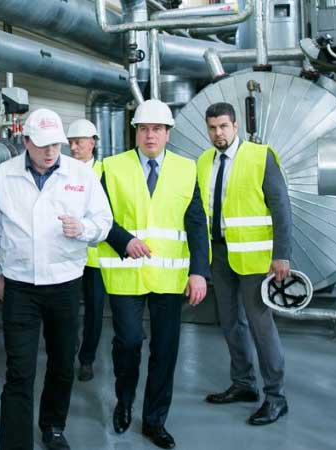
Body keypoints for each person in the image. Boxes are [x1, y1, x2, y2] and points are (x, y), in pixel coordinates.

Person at [0, 108, 113, 450]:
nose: (51, 151)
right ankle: (15, 443)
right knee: (19, 369)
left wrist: (84, 229)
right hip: (20, 285)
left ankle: (52, 425)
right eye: (42, 145)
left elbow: (104, 221)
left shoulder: (80, 174)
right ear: (25, 141)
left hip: (65, 283)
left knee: (62, 361)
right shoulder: (1, 176)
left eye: (56, 144)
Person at [98, 99, 210, 449]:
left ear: (167, 133)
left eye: (157, 129)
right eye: (144, 128)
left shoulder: (185, 169)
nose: (150, 135)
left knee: (166, 349)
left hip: (168, 276)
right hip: (126, 272)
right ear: (136, 131)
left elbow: (196, 223)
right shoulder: (112, 167)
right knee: (128, 342)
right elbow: (99, 216)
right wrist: (123, 240)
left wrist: (199, 273)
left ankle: (154, 420)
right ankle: (125, 401)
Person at [197, 102, 292, 426]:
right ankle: (243, 384)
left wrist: (281, 254)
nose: (217, 133)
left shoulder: (259, 155)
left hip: (255, 258)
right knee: (229, 323)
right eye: (212, 127)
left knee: (260, 326)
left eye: (223, 126)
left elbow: (281, 206)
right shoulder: (204, 161)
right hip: (219, 255)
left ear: (235, 126)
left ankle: (276, 397)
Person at [66, 118, 106, 383]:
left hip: (95, 257)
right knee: (66, 310)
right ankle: (66, 354)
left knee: (94, 311)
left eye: (78, 142)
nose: (73, 147)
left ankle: (87, 359)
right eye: (70, 142)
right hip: (67, 255)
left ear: (92, 142)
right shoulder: (63, 171)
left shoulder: (106, 172)